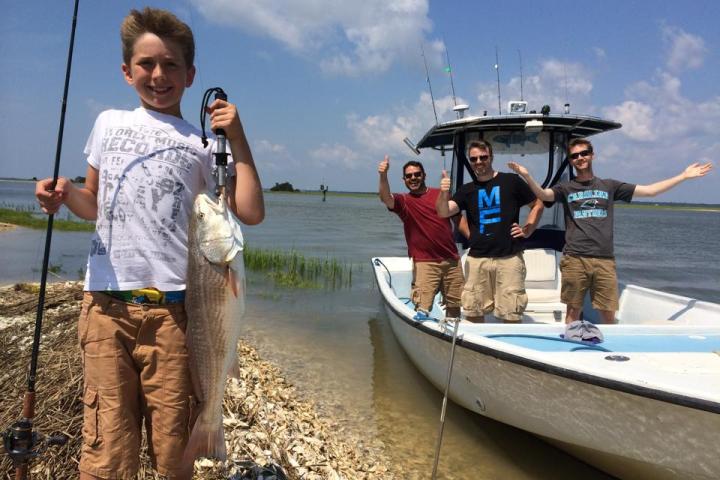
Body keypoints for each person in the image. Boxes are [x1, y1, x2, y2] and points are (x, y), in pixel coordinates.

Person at [35, 8, 264, 479]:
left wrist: (237, 138)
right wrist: (63, 192)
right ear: (127, 71)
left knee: (172, 445)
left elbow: (250, 211)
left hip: (174, 316)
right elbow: (92, 202)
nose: (158, 75)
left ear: (190, 74)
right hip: (105, 308)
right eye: (146, 64)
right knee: (107, 446)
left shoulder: (202, 146)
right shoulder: (108, 123)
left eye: (171, 65)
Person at [508, 137, 712, 324]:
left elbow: (650, 191)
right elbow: (543, 195)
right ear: (570, 161)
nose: (580, 158)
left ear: (592, 155)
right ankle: (571, 344)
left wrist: (683, 176)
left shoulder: (610, 186)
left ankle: (609, 353)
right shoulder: (566, 188)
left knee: (608, 312)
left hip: (604, 259)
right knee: (573, 311)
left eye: (584, 153)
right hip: (575, 258)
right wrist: (527, 175)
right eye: (575, 156)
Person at [436, 140, 544, 323]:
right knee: (473, 311)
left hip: (509, 258)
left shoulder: (511, 181)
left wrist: (528, 228)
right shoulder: (466, 190)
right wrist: (443, 192)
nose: (479, 162)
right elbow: (443, 211)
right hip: (478, 259)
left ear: (491, 157)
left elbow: (538, 204)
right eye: (474, 159)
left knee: (511, 312)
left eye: (483, 157)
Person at [378, 155, 466, 319]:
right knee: (422, 308)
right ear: (404, 179)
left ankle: (450, 338)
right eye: (409, 176)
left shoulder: (440, 194)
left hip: (452, 260)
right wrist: (383, 175)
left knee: (455, 306)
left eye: (417, 174)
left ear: (424, 175)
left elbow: (458, 218)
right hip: (425, 262)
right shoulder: (404, 201)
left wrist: (472, 240)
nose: (413, 178)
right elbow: (385, 198)